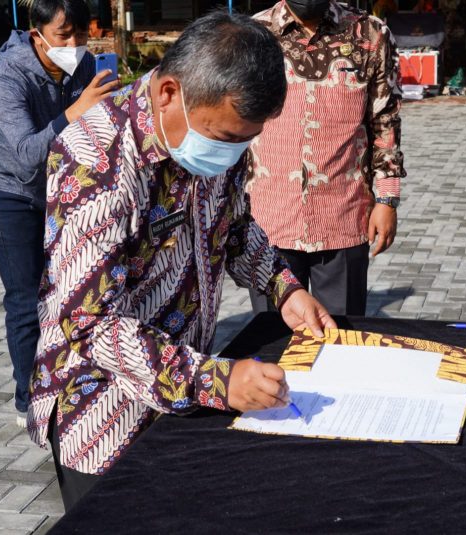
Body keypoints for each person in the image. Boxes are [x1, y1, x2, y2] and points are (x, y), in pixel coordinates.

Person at [28, 11, 336, 510]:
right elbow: (90, 321)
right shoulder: (96, 159)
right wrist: (218, 380)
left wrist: (285, 288)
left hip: (184, 390)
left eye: (245, 141)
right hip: (105, 413)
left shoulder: (210, 134)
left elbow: (234, 228)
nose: (233, 154)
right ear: (169, 93)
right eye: (226, 139)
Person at [0, 0, 118, 428]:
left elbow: (99, 131)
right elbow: (25, 156)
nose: (75, 44)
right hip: (7, 194)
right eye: (63, 35)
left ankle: (70, 378)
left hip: (58, 188)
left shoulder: (84, 65)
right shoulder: (6, 77)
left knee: (70, 288)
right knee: (25, 297)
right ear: (37, 35)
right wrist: (77, 110)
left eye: (81, 34)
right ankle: (27, 398)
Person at [249, 0, 406, 316]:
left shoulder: (370, 34)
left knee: (342, 341)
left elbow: (385, 119)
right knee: (271, 340)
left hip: (343, 217)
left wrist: (387, 199)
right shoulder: (253, 35)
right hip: (266, 221)